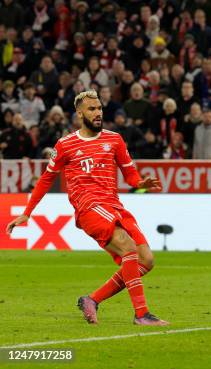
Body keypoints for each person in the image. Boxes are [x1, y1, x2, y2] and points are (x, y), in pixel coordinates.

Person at [5, 90, 168, 326]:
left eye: (100, 108)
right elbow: (45, 180)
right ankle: (141, 314)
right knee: (128, 248)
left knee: (146, 260)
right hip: (89, 207)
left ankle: (92, 299)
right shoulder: (65, 145)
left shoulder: (115, 139)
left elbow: (131, 175)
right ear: (80, 114)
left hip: (114, 206)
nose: (98, 113)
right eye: (92, 109)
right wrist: (27, 212)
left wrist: (140, 184)